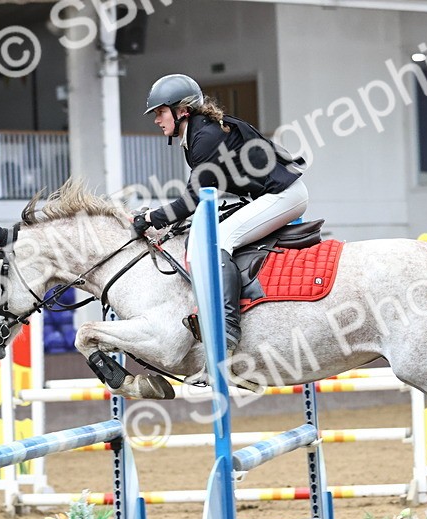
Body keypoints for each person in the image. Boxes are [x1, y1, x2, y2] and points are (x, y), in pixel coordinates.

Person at [132, 74, 308, 353]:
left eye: (160, 112)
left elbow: (190, 201)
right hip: (273, 194)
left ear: (182, 110)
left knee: (219, 241)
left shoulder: (205, 138)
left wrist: (151, 218)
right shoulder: (199, 133)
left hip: (283, 196)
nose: (156, 120)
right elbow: (198, 196)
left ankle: (227, 326)